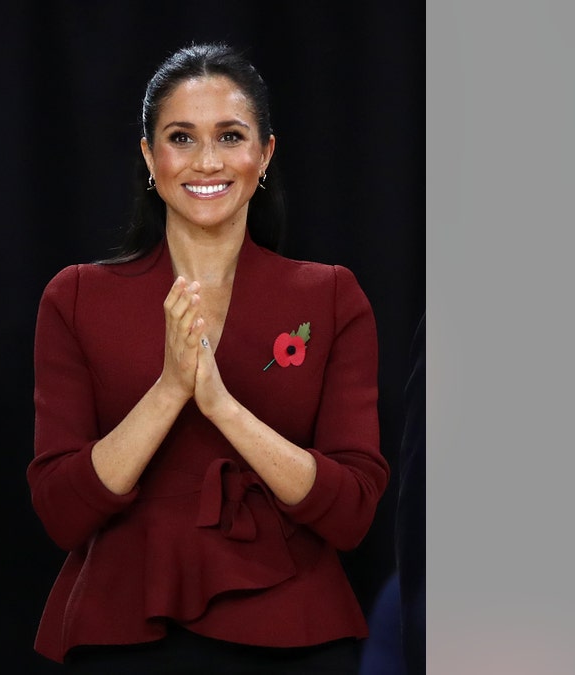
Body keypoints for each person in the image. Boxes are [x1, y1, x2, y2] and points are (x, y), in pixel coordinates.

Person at [27, 43, 390, 674]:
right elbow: (62, 510)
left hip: (296, 630)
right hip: (122, 631)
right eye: (181, 137)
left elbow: (354, 508)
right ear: (149, 156)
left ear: (265, 153)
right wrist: (170, 389)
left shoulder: (330, 296)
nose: (207, 160)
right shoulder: (77, 297)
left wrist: (220, 406)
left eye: (229, 135)